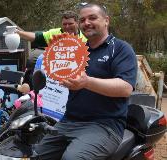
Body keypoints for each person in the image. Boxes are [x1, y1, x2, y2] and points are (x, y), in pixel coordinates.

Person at [32, 3, 138, 160]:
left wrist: (87, 82)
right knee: (35, 155)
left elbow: (125, 88)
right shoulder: (74, 50)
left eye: (92, 18)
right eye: (82, 20)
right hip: (68, 121)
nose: (86, 23)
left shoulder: (121, 49)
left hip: (105, 126)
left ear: (106, 20)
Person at [16, 10, 87, 48]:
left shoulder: (86, 36)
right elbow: (36, 37)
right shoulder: (55, 33)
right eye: (64, 24)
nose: (67, 27)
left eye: (70, 24)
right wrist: (18, 33)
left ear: (77, 23)